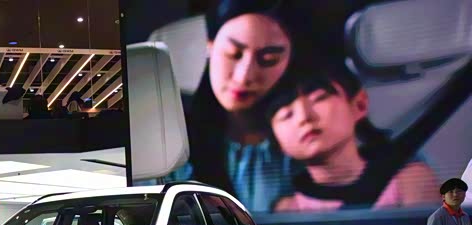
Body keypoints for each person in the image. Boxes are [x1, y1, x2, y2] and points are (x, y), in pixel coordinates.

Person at [176, 0, 301, 212]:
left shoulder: (305, 143)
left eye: (269, 59)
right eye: (233, 54)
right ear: (210, 46)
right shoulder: (174, 147)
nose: (244, 76)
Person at [266, 64, 438, 212]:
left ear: (359, 105)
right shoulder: (289, 209)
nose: (304, 117)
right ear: (276, 141)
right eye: (287, 114)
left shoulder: (410, 181)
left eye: (319, 98)